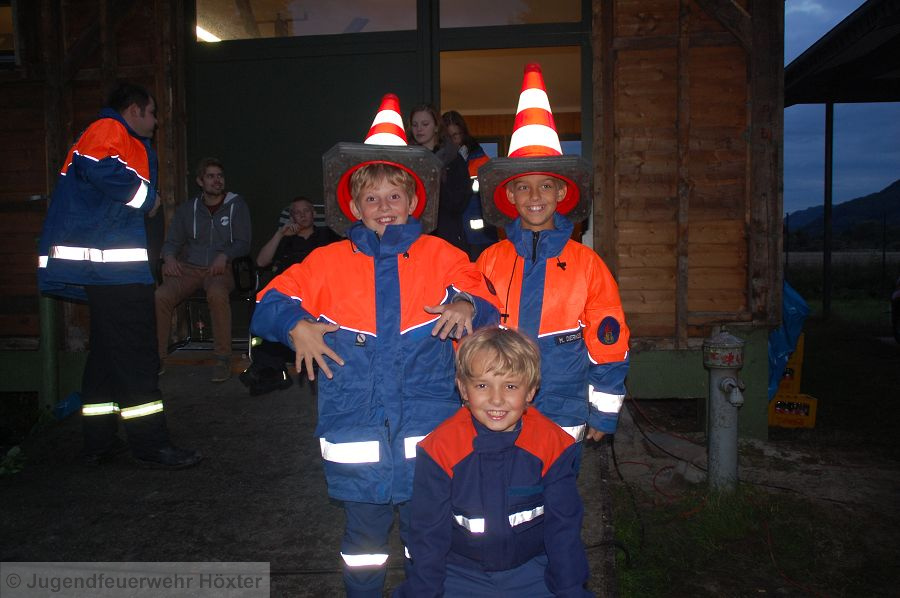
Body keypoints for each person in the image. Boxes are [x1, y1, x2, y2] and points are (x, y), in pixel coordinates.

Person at [250, 93, 500, 598]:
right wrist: (295, 325)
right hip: (357, 439)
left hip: (427, 442)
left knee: (427, 543)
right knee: (363, 547)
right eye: (371, 198)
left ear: (413, 202)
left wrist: (465, 305)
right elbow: (267, 302)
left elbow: (486, 296)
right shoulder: (326, 263)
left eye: (394, 196)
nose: (384, 207)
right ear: (352, 207)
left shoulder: (440, 255)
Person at [37, 81, 201, 469]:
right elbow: (98, 167)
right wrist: (148, 199)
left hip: (108, 274)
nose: (157, 121)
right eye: (152, 113)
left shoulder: (113, 135)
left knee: (105, 358)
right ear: (133, 111)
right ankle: (151, 444)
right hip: (115, 275)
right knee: (138, 356)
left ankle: (98, 443)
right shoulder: (108, 129)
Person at [476, 63, 630, 449]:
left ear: (562, 192)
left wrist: (603, 412)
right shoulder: (489, 260)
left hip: (564, 408)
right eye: (523, 187)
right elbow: (470, 337)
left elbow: (608, 341)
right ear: (509, 196)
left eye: (546, 186)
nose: (534, 197)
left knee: (557, 482)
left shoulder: (587, 264)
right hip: (498, 407)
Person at [395, 327, 592, 597]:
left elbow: (564, 529)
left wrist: (570, 589)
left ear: (531, 391)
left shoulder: (552, 445)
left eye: (510, 386)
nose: (496, 399)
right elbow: (427, 535)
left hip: (532, 568)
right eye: (482, 385)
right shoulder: (439, 448)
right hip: (459, 571)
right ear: (463, 389)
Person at [155, 157, 252, 382]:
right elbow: (172, 242)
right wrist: (169, 257)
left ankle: (222, 358)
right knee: (161, 295)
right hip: (190, 269)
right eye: (210, 176)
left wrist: (225, 255)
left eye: (220, 176)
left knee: (217, 293)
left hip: (222, 269)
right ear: (200, 181)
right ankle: (158, 357)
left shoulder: (237, 205)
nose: (217, 181)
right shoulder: (188, 209)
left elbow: (243, 243)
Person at [239, 196, 339, 396]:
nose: (302, 216)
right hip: (288, 294)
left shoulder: (327, 235)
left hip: (319, 292)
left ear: (314, 213)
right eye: (296, 212)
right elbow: (261, 262)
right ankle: (269, 368)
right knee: (264, 304)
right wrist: (279, 234)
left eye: (306, 211)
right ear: (291, 216)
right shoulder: (285, 239)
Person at [409, 103, 472, 255]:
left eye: (425, 124)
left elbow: (460, 201)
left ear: (436, 127)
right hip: (413, 235)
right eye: (415, 125)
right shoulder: (406, 159)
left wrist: (435, 181)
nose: (419, 129)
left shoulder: (453, 159)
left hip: (447, 235)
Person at [442, 110, 499, 260]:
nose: (452, 141)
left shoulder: (481, 161)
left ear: (463, 134)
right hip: (451, 237)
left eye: (455, 135)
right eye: (448, 136)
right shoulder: (439, 162)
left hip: (481, 238)